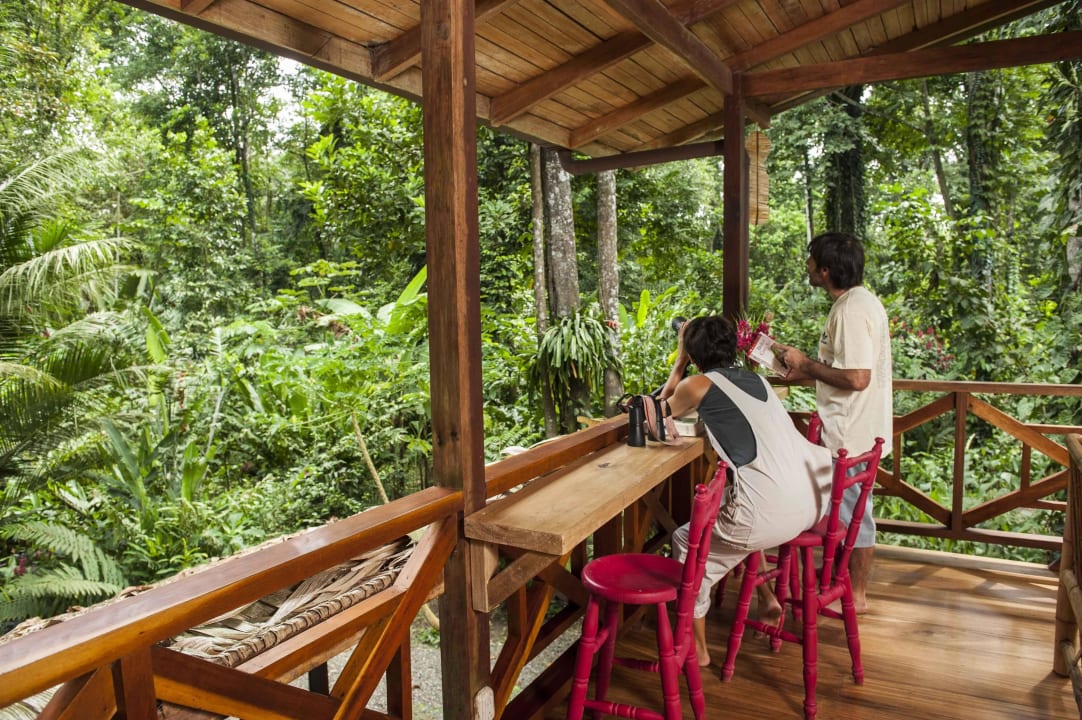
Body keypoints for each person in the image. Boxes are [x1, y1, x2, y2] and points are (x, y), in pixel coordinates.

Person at [659, 315, 833, 667]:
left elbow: (658, 409)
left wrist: (679, 360)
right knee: (731, 515)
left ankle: (700, 651)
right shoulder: (756, 380)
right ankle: (768, 599)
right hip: (810, 498)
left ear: (693, 354)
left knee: (685, 540)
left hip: (771, 511)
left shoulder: (697, 384)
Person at [773, 231, 893, 615]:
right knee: (851, 514)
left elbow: (857, 378)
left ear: (825, 270)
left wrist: (806, 363)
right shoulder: (860, 303)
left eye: (811, 260)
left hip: (851, 435)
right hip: (854, 430)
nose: (806, 265)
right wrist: (803, 371)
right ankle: (840, 586)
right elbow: (842, 372)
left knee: (857, 518)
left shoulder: (851, 311)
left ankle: (855, 595)